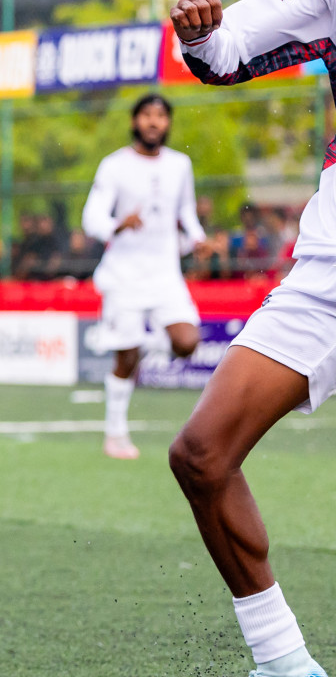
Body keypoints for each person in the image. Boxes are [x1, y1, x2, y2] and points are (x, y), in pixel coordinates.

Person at [162, 0, 336, 677]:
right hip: (328, 275)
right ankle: (283, 667)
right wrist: (199, 34)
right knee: (201, 454)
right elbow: (227, 54)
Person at [80, 94, 204, 460]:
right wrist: (119, 224)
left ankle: (147, 343)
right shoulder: (114, 166)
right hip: (124, 276)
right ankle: (115, 434)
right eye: (147, 115)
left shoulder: (181, 165)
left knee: (187, 342)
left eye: (161, 116)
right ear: (135, 121)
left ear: (168, 123)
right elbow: (92, 218)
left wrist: (197, 241)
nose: (154, 122)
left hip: (165, 274)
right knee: (125, 359)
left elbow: (186, 213)